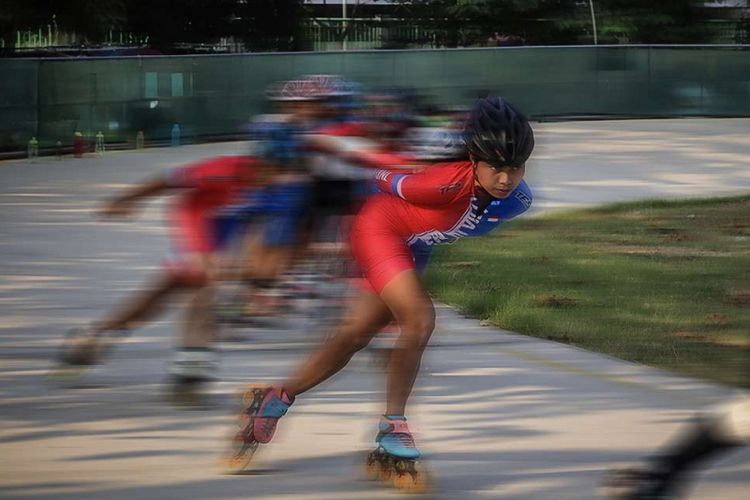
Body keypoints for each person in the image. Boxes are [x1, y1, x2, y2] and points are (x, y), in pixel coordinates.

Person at [224, 96, 536, 492]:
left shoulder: (519, 201)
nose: (506, 179)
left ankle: (272, 400)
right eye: (496, 168)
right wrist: (338, 153)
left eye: (515, 168)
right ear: (474, 159)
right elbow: (380, 177)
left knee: (354, 335)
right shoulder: (442, 183)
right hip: (380, 230)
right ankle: (393, 428)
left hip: (415, 244)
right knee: (420, 319)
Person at [56, 154, 260, 402]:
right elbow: (167, 180)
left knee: (162, 293)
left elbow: (259, 227)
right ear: (264, 163)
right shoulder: (222, 170)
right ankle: (191, 365)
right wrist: (127, 199)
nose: (277, 181)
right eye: (274, 173)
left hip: (224, 224)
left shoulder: (286, 182)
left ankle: (94, 336)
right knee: (201, 282)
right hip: (195, 215)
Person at [603, 394, 750, 499]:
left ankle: (641, 482)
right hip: (731, 421)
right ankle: (644, 481)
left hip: (730, 420)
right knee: (678, 462)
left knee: (677, 462)